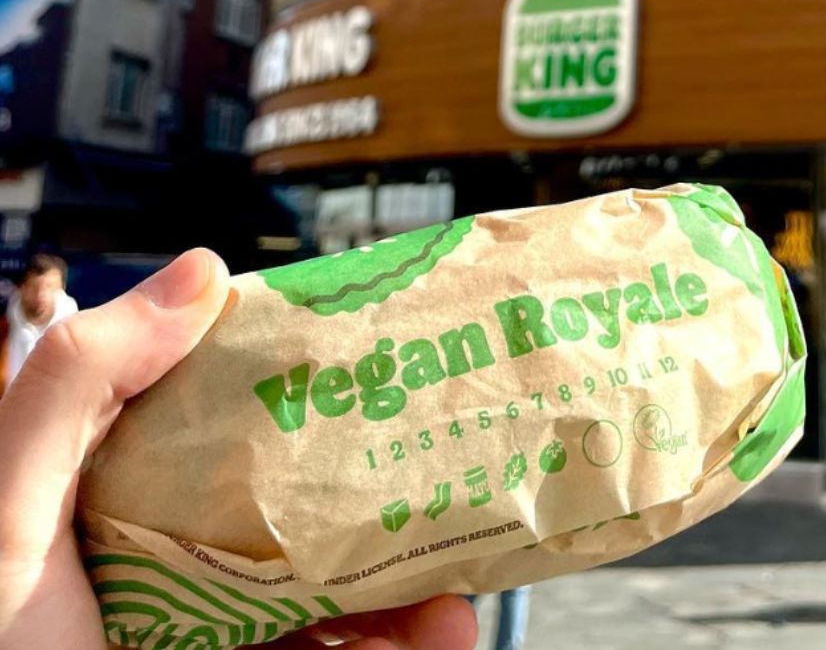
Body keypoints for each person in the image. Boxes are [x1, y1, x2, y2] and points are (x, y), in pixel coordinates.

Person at [0, 248, 479, 650]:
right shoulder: (13, 326)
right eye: (38, 284)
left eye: (51, 283)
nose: (43, 293)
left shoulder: (73, 317)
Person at [0, 253, 79, 396]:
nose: (41, 294)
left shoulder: (79, 334)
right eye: (34, 287)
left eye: (50, 287)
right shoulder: (4, 330)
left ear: (62, 289)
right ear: (22, 288)